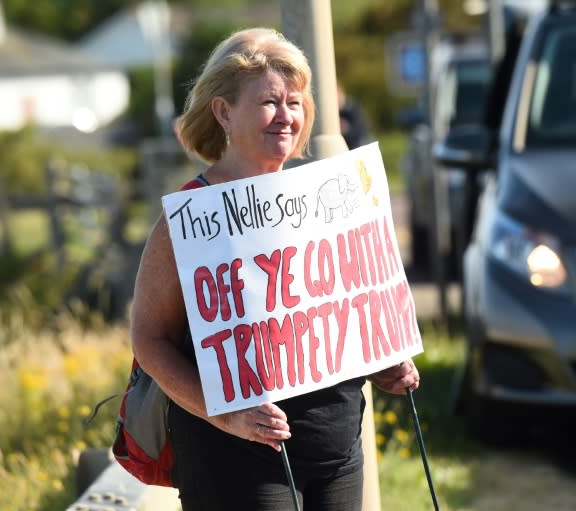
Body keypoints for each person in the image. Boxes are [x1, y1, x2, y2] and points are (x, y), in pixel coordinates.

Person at [130, 27, 420, 511]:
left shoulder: (326, 200)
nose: (286, 116)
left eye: (296, 102)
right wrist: (228, 417)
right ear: (224, 112)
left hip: (339, 452)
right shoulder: (191, 213)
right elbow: (148, 339)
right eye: (269, 102)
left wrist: (382, 360)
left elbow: (334, 312)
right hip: (234, 461)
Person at [338, 83, 371, 150]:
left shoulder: (352, 107)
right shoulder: (336, 111)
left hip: (359, 143)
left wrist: (347, 129)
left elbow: (362, 128)